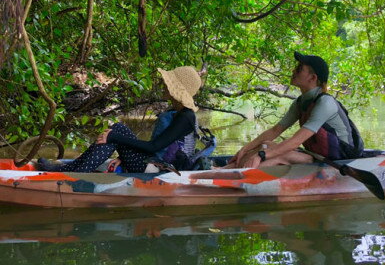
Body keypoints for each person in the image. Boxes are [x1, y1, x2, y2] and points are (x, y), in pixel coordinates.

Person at [38, 66, 202, 173]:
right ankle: (71, 167)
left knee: (115, 134)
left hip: (161, 170)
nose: (164, 85)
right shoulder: (177, 111)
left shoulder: (186, 117)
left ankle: (73, 171)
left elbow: (153, 147)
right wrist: (122, 156)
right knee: (117, 128)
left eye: (168, 83)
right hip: (152, 162)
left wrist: (114, 139)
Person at [226, 51, 364, 168]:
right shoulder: (300, 103)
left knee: (280, 154)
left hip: (338, 160)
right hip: (315, 156)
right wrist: (245, 149)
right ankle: (223, 169)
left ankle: (234, 175)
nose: (293, 71)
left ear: (312, 78)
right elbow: (275, 131)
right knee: (266, 145)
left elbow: (296, 141)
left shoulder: (325, 102)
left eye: (299, 69)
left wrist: (262, 155)